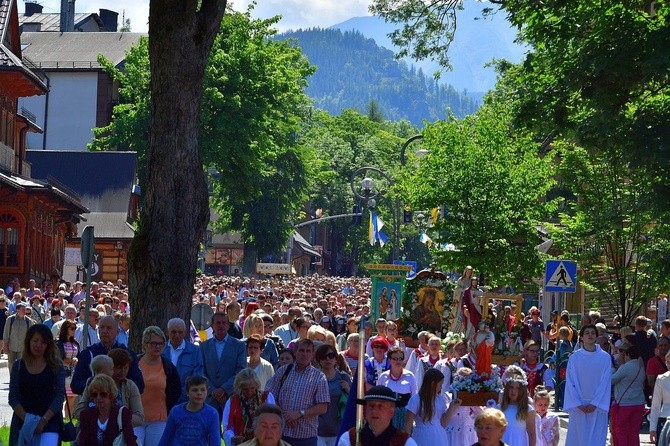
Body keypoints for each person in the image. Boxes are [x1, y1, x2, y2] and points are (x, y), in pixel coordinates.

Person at [8, 324, 65, 446]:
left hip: (50, 423)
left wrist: (43, 421)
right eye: (35, 340)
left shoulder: (56, 365)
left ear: (48, 345)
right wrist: (29, 421)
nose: (38, 345)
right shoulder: (18, 365)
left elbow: (60, 396)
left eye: (43, 342)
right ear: (28, 341)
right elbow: (13, 397)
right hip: (22, 422)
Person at [265, 338, 329, 446]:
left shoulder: (319, 377)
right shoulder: (283, 371)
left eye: (308, 351)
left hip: (306, 437)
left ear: (312, 354)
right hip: (281, 433)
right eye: (301, 350)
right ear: (295, 352)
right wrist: (285, 415)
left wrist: (299, 414)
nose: (304, 354)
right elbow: (269, 395)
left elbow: (323, 407)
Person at [564, 324, 612, 446]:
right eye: (587, 333)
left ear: (596, 337)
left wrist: (595, 403)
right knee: (578, 439)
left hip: (597, 407)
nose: (590, 335)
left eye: (593, 333)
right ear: (581, 337)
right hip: (579, 407)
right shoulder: (574, 358)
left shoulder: (605, 358)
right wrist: (577, 403)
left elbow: (605, 383)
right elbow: (570, 382)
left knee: (596, 439)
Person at [71, 315, 144, 395]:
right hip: (94, 403)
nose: (104, 331)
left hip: (121, 404)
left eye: (109, 328)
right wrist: (97, 384)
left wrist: (117, 385)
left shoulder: (127, 354)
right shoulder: (88, 354)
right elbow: (75, 385)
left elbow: (139, 385)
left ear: (117, 331)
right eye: (101, 327)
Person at [137, 325, 181, 446]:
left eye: (161, 343)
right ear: (145, 344)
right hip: (135, 419)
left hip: (159, 420)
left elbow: (176, 390)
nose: (157, 346)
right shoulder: (134, 364)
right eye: (153, 343)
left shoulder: (168, 367)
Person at [201, 312, 248, 420]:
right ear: (212, 325)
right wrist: (213, 391)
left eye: (223, 323)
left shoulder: (239, 346)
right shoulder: (203, 346)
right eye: (218, 323)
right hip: (209, 398)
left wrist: (224, 390)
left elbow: (241, 372)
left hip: (230, 398)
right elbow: (201, 371)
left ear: (228, 325)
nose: (221, 325)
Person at [337, 385, 418, 446]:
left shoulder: (405, 442)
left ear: (391, 411)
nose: (374, 411)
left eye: (380, 406)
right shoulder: (350, 439)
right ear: (365, 410)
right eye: (371, 406)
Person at [158, 375, 220, 446]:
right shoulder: (176, 411)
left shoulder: (212, 413)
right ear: (187, 392)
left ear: (207, 391)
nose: (199, 393)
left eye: (203, 390)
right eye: (195, 390)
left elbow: (215, 441)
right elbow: (166, 438)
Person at [77, 374, 138, 445]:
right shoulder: (86, 415)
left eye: (103, 394)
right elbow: (83, 442)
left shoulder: (123, 413)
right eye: (94, 395)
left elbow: (130, 441)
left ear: (111, 394)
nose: (98, 398)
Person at [404, 368, 460, 445]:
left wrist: (452, 407)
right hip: (421, 436)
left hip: (439, 437)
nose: (441, 387)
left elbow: (443, 423)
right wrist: (406, 441)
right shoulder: (416, 399)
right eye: (440, 384)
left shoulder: (440, 400)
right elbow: (408, 424)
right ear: (433, 384)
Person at [223, 368, 276, 446]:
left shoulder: (266, 397)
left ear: (257, 385)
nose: (249, 392)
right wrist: (232, 437)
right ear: (239, 387)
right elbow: (227, 426)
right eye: (245, 389)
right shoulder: (232, 401)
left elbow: (274, 421)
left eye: (252, 388)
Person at [610, 340, 646, 446]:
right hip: (639, 403)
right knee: (634, 431)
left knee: (620, 429)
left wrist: (614, 368)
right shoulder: (641, 367)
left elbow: (612, 380)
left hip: (625, 404)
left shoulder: (626, 367)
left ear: (628, 354)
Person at [316, 343, 351, 446]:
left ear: (336, 359)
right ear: (318, 360)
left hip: (339, 431)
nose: (327, 359)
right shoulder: (313, 378)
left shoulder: (344, 378)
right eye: (323, 356)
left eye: (331, 356)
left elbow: (354, 403)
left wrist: (348, 390)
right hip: (317, 431)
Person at [163, 317, 205, 403]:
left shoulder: (195, 351)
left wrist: (180, 395)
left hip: (186, 401)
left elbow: (197, 377)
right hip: (162, 400)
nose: (177, 335)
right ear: (167, 332)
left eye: (180, 332)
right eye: (173, 332)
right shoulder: (161, 351)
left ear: (185, 333)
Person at [377, 346, 417, 430]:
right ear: (389, 360)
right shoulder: (383, 376)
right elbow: (378, 397)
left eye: (400, 358)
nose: (398, 361)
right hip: (387, 414)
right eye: (395, 358)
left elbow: (414, 398)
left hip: (405, 415)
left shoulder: (410, 376)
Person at [500, 369, 536, 446]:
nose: (514, 391)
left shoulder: (527, 409)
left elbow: (532, 434)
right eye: (511, 387)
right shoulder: (501, 408)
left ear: (522, 391)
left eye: (517, 388)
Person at [54, 319, 79, 418]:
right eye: (72, 328)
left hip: (73, 373)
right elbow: (59, 359)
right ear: (66, 329)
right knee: (61, 397)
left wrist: (76, 361)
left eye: (75, 328)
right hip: (62, 373)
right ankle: (58, 417)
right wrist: (71, 360)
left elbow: (79, 355)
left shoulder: (75, 343)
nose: (74, 330)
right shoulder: (59, 343)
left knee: (72, 397)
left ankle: (68, 419)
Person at [3, 301, 35, 371]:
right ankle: (12, 379)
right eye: (23, 309)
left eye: (25, 309)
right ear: (17, 310)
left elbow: (32, 334)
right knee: (11, 363)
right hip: (12, 346)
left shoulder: (28, 321)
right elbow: (6, 332)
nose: (24, 311)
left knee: (22, 364)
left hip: (23, 348)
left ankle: (20, 379)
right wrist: (5, 345)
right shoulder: (10, 319)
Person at [650, 351, 670, 445]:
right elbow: (655, 406)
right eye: (668, 362)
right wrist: (652, 429)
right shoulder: (661, 379)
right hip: (664, 420)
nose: (669, 364)